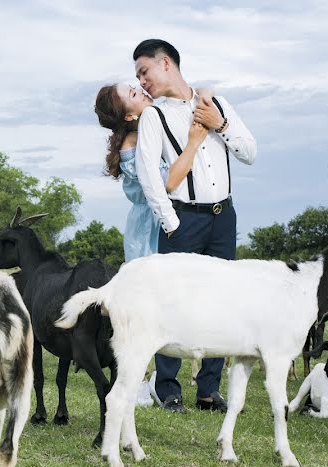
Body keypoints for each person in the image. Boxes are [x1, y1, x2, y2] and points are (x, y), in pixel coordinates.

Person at [133, 39, 257, 413]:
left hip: (223, 217)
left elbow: (250, 152)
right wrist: (170, 223)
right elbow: (148, 176)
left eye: (144, 72)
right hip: (182, 218)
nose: (142, 82)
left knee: (222, 301)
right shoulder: (153, 116)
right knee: (172, 301)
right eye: (137, 77)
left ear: (166, 63)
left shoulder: (215, 104)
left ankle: (209, 390)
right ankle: (167, 387)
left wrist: (220, 125)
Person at [95, 83, 208, 261]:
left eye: (135, 88)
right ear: (129, 115)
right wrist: (193, 143)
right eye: (133, 94)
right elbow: (167, 183)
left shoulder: (149, 128)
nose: (141, 91)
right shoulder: (132, 145)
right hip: (151, 225)